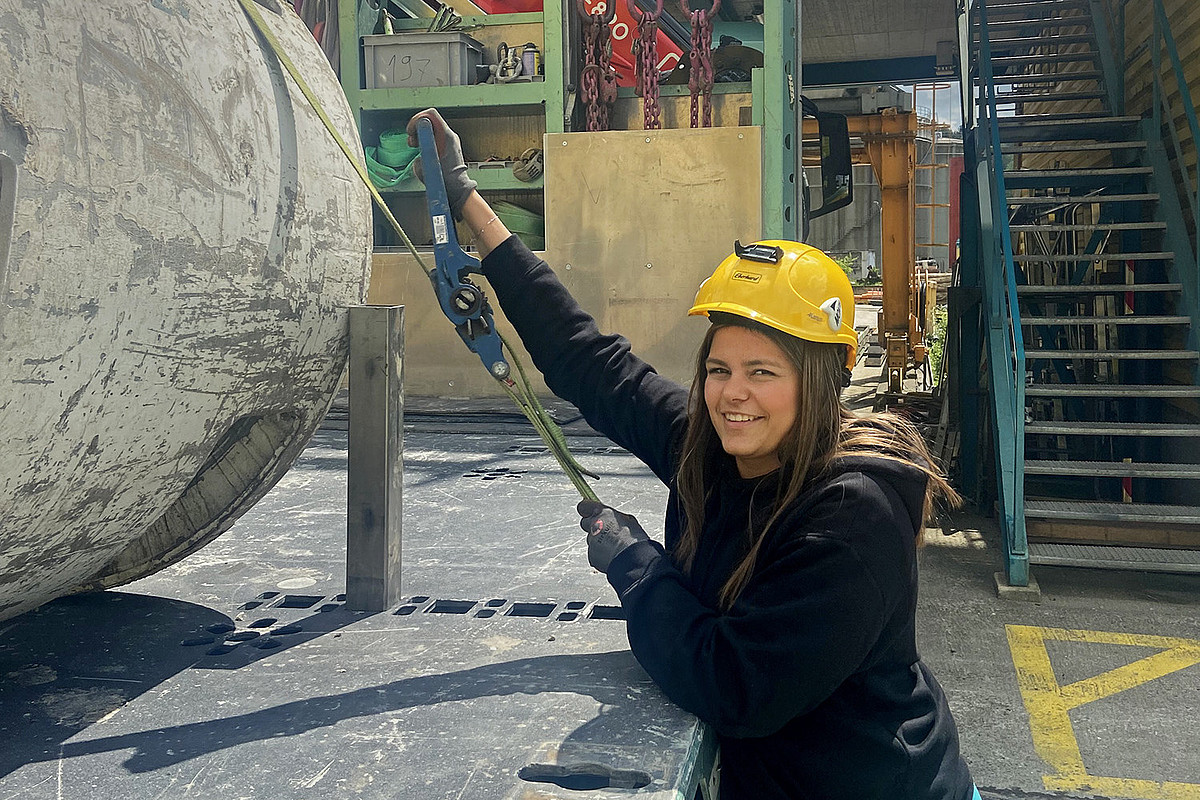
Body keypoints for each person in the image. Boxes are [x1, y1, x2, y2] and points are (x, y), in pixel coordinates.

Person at [408, 109, 978, 800]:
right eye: (719, 368)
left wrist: (637, 566)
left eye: (763, 372)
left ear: (821, 383)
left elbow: (735, 685)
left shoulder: (852, 519)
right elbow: (590, 362)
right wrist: (466, 197)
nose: (732, 395)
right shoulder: (707, 447)